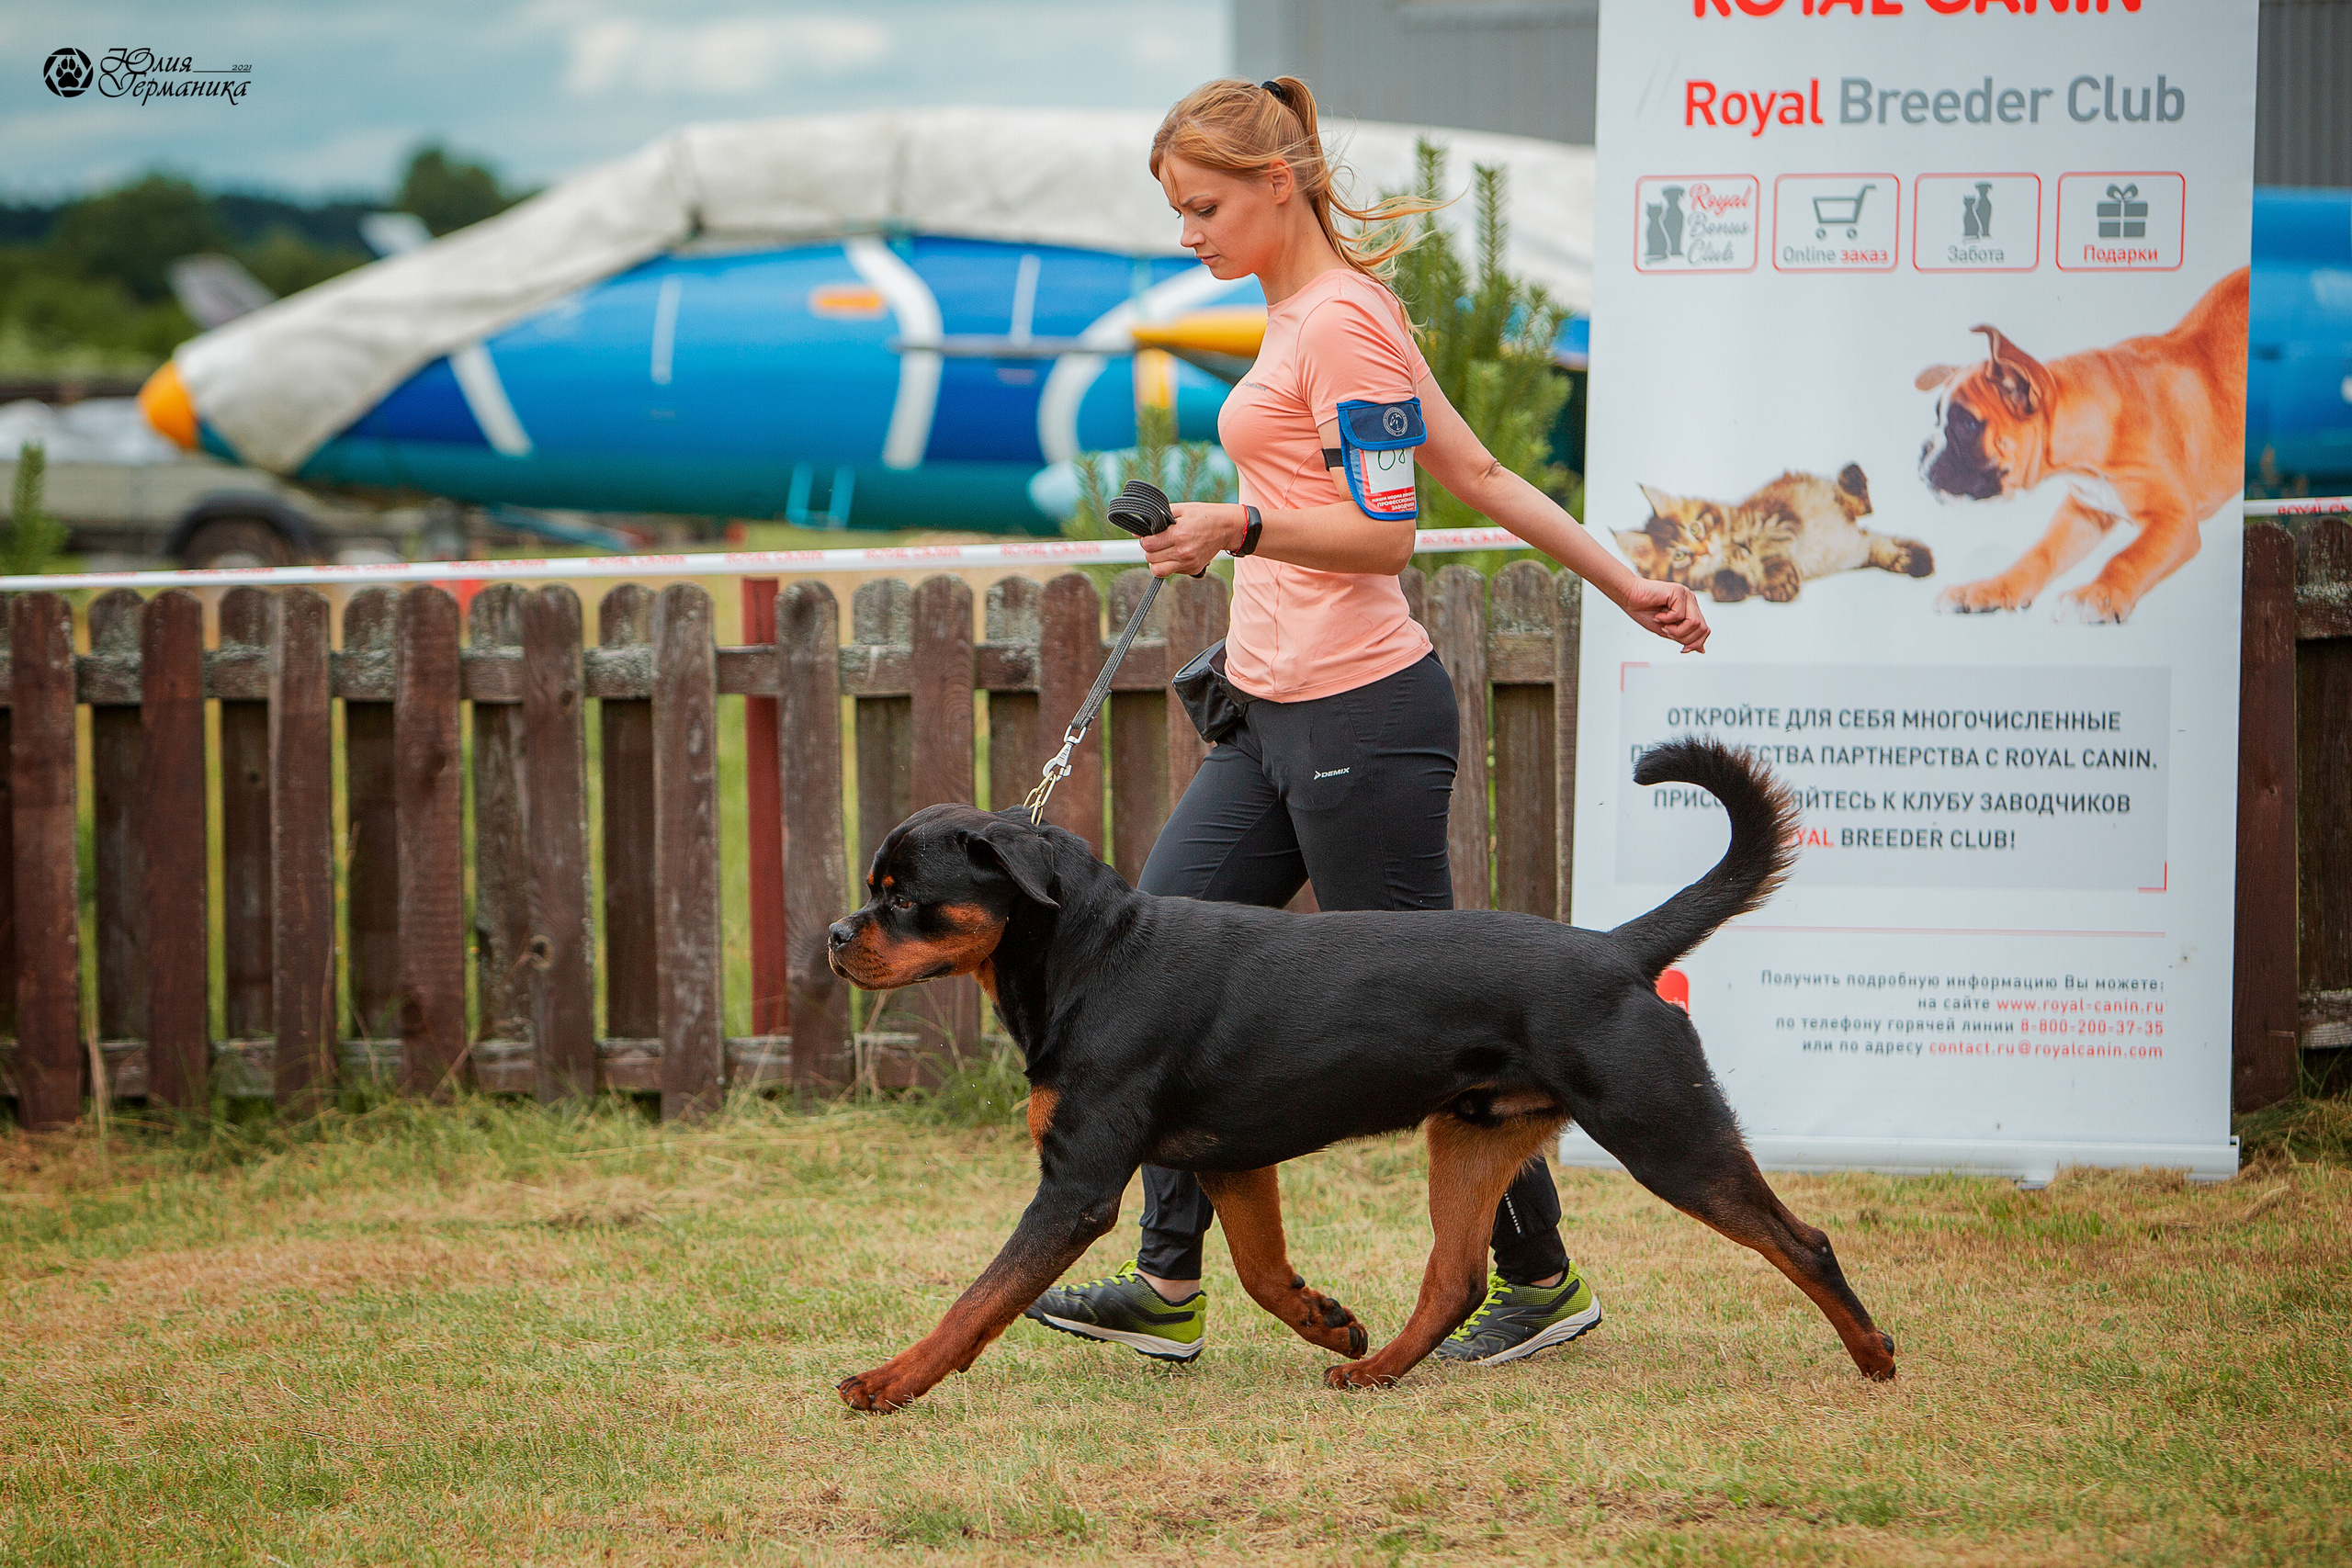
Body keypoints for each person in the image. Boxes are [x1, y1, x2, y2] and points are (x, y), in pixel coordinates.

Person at [1023, 76, 1709, 1369]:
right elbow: (1485, 471)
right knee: (1148, 970)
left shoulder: (1341, 324)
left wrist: (1239, 526)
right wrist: (1629, 583)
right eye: (1178, 212)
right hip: (1267, 712)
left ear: (1277, 183)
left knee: (1451, 1019)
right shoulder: (1307, 316)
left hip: (1363, 719)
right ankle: (1167, 1279)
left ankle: (1540, 1281)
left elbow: (1389, 532)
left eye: (1204, 207)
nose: (1189, 234)